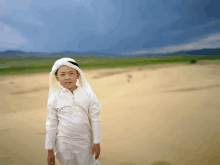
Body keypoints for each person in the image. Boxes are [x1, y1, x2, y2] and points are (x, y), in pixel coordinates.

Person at [45, 57, 102, 165]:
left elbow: (95, 119)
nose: (67, 78)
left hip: (85, 142)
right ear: (56, 77)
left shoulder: (89, 95)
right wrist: (49, 150)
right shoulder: (54, 99)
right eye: (62, 74)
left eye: (71, 73)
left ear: (78, 75)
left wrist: (96, 142)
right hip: (64, 144)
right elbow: (51, 124)